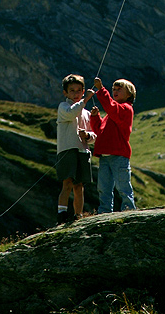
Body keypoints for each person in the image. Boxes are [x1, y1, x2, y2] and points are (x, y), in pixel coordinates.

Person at [90, 76, 136, 214]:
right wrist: (95, 117)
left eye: (119, 89)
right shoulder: (112, 114)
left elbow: (111, 106)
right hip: (105, 156)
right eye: (113, 89)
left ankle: (128, 210)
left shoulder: (126, 109)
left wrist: (101, 89)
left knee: (123, 186)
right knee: (103, 187)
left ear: (129, 95)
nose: (115, 91)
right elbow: (100, 131)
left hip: (119, 156)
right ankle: (104, 212)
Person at [56, 74, 95, 225]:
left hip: (82, 151)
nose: (76, 93)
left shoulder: (86, 113)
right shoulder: (63, 107)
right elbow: (72, 113)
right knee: (67, 183)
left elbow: (94, 135)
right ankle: (62, 214)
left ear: (83, 90)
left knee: (79, 186)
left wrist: (88, 135)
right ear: (65, 93)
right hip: (67, 149)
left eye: (79, 90)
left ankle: (78, 216)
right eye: (72, 91)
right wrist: (85, 100)